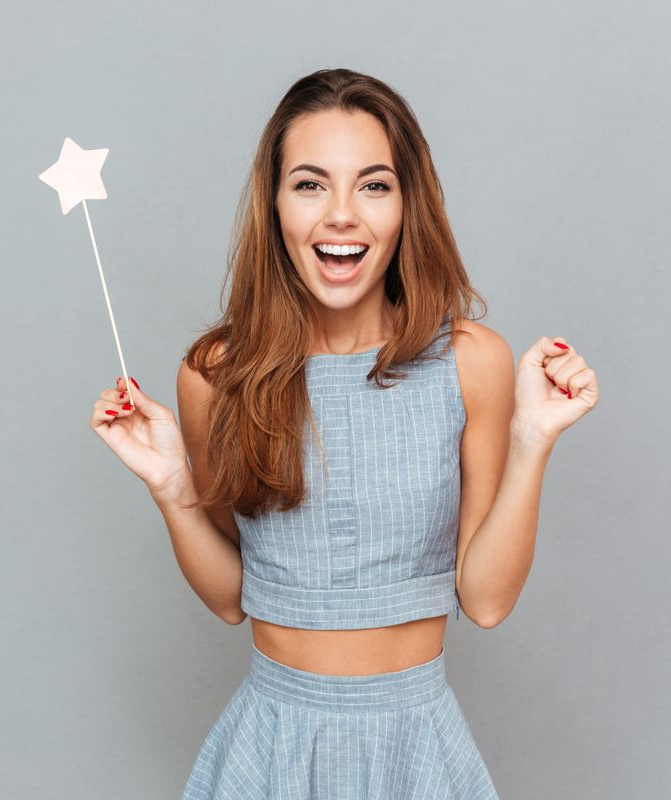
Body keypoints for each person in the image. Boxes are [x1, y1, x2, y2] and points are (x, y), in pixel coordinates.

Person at [89, 68, 599, 799]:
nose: (341, 215)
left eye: (373, 185)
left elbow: (485, 602)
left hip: (414, 746)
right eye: (309, 184)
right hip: (272, 748)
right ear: (274, 206)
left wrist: (532, 440)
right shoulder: (214, 374)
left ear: (406, 205)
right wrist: (173, 490)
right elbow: (235, 598)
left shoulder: (470, 362)